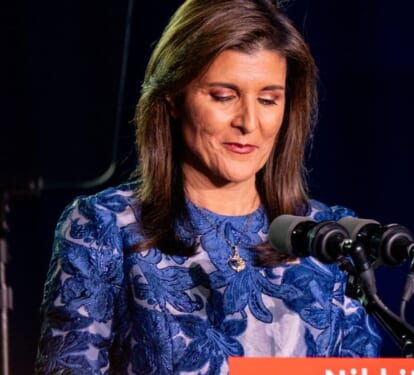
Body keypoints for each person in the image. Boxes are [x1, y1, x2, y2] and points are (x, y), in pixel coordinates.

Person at [34, 0, 382, 373]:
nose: (249, 122)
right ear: (173, 98)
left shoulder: (328, 236)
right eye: (223, 96)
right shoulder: (104, 227)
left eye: (268, 99)